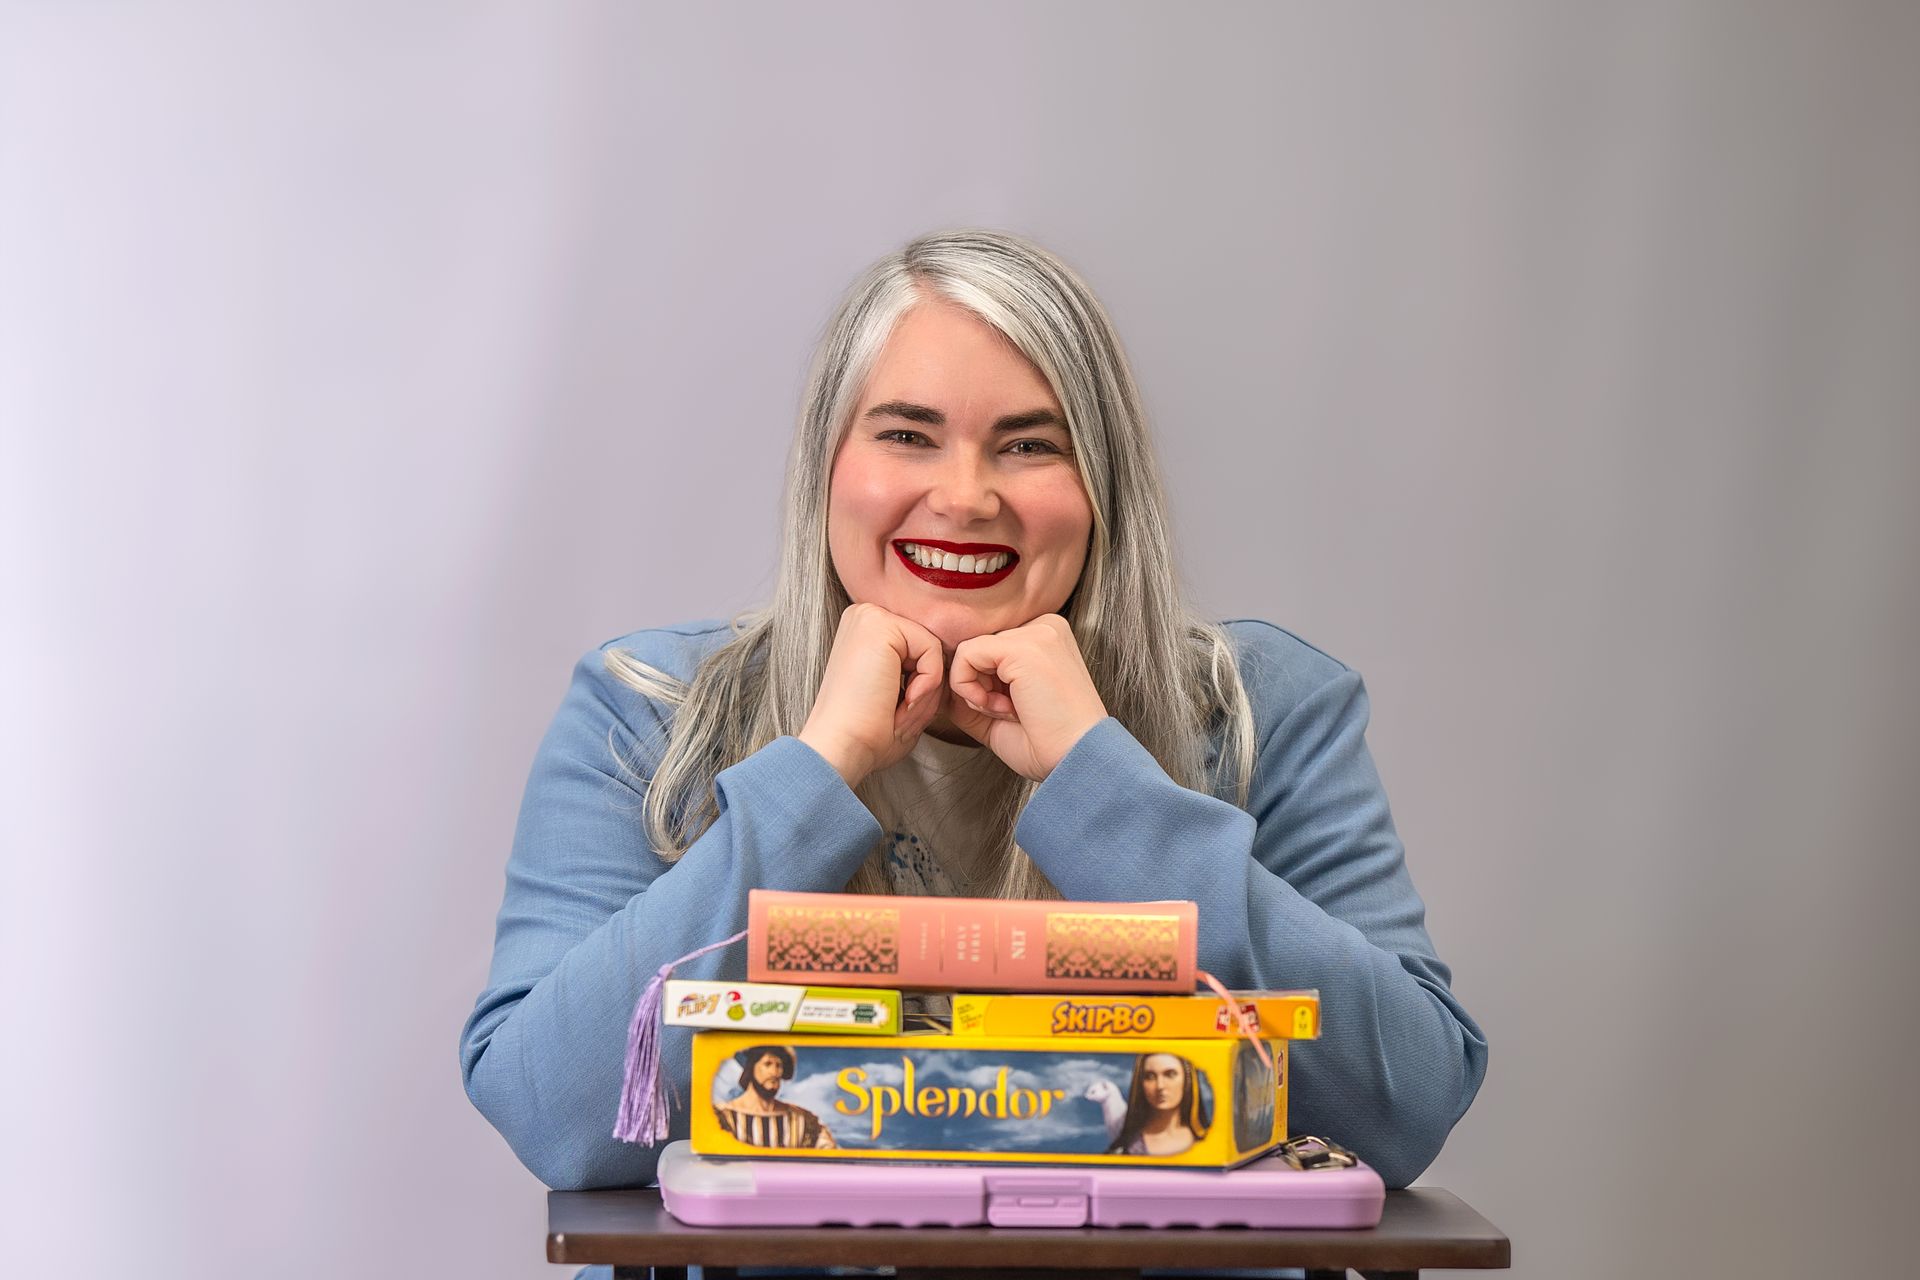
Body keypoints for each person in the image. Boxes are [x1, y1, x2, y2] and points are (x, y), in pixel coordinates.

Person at [459, 229, 1488, 1195]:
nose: (965, 497)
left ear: (1104, 487)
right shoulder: (649, 710)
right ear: (828, 469)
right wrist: (817, 770)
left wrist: (1104, 780)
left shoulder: (1269, 711)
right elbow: (554, 1113)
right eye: (908, 433)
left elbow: (1405, 1108)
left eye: (1029, 444)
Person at [711, 1046, 837, 1150]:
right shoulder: (723, 1116)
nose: (775, 1072)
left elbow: (829, 1152)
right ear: (751, 1068)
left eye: (779, 1065)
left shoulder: (803, 1120)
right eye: (768, 1064)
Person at [1106, 1053, 1209, 1156]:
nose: (1160, 1086)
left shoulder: (1210, 1142)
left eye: (1170, 1074)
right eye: (1150, 1077)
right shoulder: (1123, 1149)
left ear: (1187, 1080)